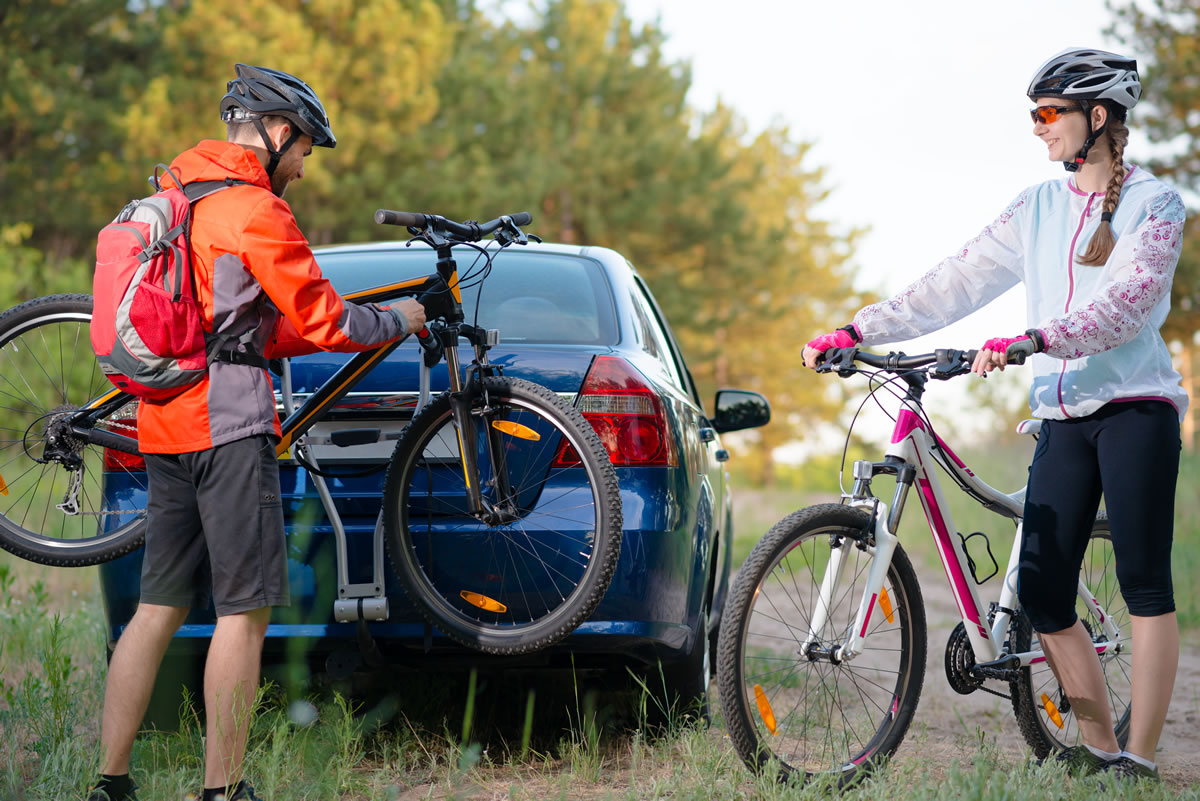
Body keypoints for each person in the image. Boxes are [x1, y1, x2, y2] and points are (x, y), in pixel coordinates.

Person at [803, 48, 1186, 781]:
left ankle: (1139, 758)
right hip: (1061, 416)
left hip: (1136, 409)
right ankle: (1099, 745)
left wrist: (1038, 337)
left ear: (1096, 117)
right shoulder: (1037, 207)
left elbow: (1130, 303)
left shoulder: (1156, 205)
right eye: (1032, 116)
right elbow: (957, 279)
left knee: (1143, 580)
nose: (1038, 130)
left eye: (1049, 114)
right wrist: (860, 330)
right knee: (1043, 591)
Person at [87, 64, 427, 801]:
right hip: (229, 429)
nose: (304, 165)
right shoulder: (256, 211)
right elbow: (328, 320)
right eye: (305, 147)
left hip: (164, 425)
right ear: (277, 133)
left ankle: (109, 783)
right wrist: (397, 321)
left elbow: (250, 328)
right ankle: (222, 790)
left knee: (157, 607)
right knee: (244, 613)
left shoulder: (179, 196)